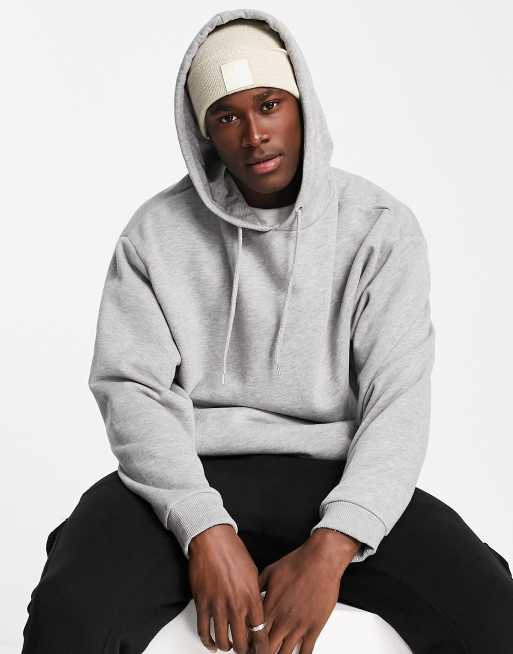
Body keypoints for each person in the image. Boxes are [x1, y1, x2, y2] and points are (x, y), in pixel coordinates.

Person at [21, 8, 513, 654]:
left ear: (301, 104)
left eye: (269, 104)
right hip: (185, 473)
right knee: (66, 613)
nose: (254, 135)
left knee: (490, 610)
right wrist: (205, 529)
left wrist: (334, 547)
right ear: (203, 133)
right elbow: (132, 390)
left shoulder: (379, 229)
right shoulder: (155, 235)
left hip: (332, 477)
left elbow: (397, 403)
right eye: (226, 116)